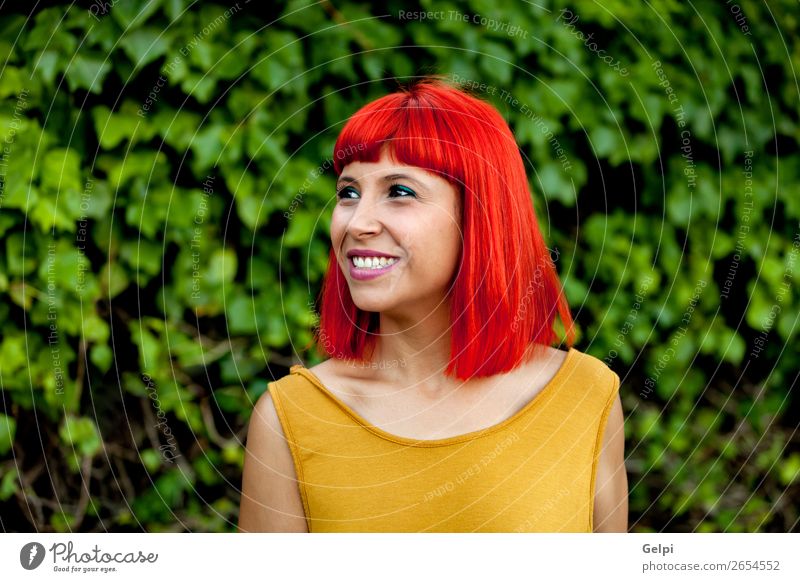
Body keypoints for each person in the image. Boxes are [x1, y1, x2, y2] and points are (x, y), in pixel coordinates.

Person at [238, 77, 627, 533]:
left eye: (400, 191)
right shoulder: (290, 418)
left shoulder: (585, 397)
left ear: (479, 215)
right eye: (348, 192)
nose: (357, 222)